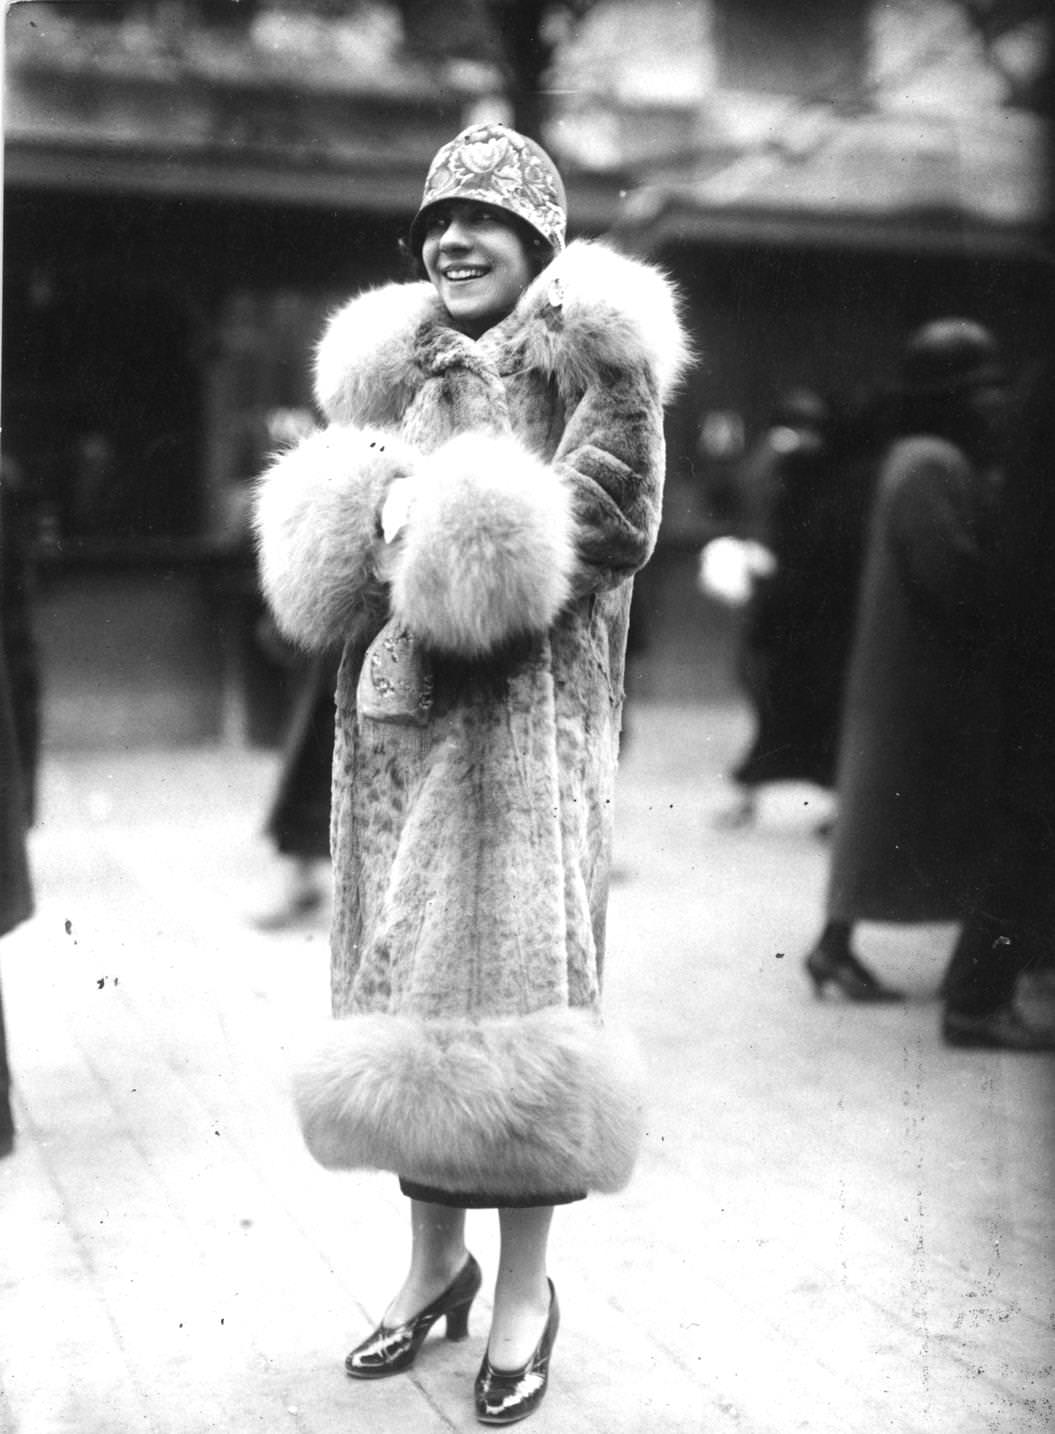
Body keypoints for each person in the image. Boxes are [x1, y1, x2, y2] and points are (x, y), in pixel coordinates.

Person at [253, 122, 689, 1425]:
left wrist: (425, 521)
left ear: (538, 242)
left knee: (518, 1007)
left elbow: (605, 525)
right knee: (406, 995)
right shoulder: (402, 365)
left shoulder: (592, 361)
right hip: (396, 741)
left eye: (481, 221)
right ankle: (432, 1259)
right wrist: (357, 511)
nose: (449, 238)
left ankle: (522, 1289)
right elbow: (334, 559)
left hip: (521, 741)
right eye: (435, 218)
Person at [803, 319, 1010, 1002]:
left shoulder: (913, 457)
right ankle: (838, 950)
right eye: (977, 394)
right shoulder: (931, 464)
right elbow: (945, 571)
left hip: (902, 672)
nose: (990, 406)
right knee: (900, 818)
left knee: (883, 818)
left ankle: (834, 949)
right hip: (920, 678)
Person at [937, 352, 1055, 1049]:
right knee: (1032, 824)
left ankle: (982, 991)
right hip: (1038, 640)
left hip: (1026, 639)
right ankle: (977, 999)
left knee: (1030, 820)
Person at [700, 389, 874, 829]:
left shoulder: (834, 479)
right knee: (768, 699)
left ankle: (837, 806)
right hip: (780, 607)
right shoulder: (774, 468)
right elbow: (732, 499)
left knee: (820, 709)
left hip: (817, 613)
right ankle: (748, 796)